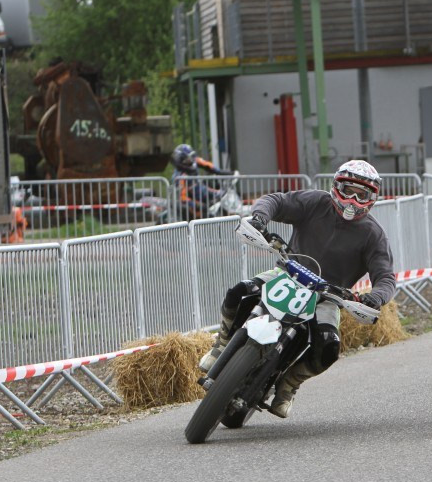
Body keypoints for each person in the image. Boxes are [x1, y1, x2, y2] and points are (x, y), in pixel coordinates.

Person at [198, 160, 397, 418]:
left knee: (329, 347)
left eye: (362, 195)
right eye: (348, 190)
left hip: (328, 296)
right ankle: (222, 344)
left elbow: (386, 277)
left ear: (372, 199)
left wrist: (376, 297)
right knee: (239, 292)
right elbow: (277, 201)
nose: (353, 199)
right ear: (336, 187)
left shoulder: (374, 234)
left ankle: (289, 384)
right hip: (287, 273)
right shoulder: (315, 201)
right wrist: (259, 218)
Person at [170, 144, 233, 220]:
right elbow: (183, 198)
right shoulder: (179, 176)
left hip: (203, 191)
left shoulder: (194, 161)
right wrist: (198, 205)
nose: (191, 159)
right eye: (188, 158)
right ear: (181, 160)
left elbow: (209, 166)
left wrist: (227, 173)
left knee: (223, 194)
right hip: (193, 202)